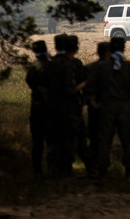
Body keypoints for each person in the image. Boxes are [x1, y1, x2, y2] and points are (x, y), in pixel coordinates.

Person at [91, 36, 130, 182]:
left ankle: (102, 173)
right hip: (124, 108)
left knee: (105, 142)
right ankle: (129, 173)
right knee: (127, 142)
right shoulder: (128, 66)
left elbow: (90, 85)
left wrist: (94, 103)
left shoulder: (102, 67)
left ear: (110, 49)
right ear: (124, 48)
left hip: (107, 108)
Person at [44, 34, 86, 177]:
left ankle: (52, 168)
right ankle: (66, 169)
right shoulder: (73, 64)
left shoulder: (50, 64)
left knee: (54, 139)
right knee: (71, 139)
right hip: (70, 107)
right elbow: (71, 89)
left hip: (53, 107)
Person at [84, 41, 111, 177]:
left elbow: (86, 87)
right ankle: (104, 166)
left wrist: (92, 101)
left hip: (93, 108)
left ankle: (94, 165)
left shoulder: (89, 68)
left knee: (93, 137)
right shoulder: (113, 68)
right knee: (106, 138)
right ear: (108, 53)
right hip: (108, 107)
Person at [25, 40, 50, 176]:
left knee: (37, 143)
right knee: (52, 141)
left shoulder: (33, 68)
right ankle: (54, 169)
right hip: (51, 109)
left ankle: (37, 171)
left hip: (36, 109)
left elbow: (29, 82)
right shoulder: (51, 67)